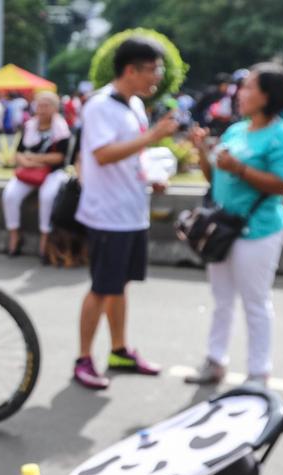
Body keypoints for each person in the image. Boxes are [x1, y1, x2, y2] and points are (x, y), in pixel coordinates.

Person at [71, 36, 179, 390]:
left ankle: (118, 350)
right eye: (153, 70)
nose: (157, 78)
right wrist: (153, 137)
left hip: (131, 210)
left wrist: (151, 175)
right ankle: (83, 358)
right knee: (102, 287)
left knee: (119, 285)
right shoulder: (100, 105)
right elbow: (102, 154)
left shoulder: (132, 104)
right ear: (130, 69)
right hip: (108, 214)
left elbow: (128, 155)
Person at [184, 63, 283, 386]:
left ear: (268, 96)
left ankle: (258, 373)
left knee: (255, 302)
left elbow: (282, 185)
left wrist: (240, 170)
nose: (240, 93)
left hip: (257, 230)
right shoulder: (237, 130)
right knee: (221, 298)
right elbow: (215, 178)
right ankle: (215, 360)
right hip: (223, 227)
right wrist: (203, 153)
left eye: (249, 87)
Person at [1, 91, 71, 259]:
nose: (42, 109)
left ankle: (45, 239)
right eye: (40, 105)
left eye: (46, 105)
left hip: (53, 173)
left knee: (47, 197)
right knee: (10, 195)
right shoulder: (29, 127)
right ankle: (15, 236)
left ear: (55, 108)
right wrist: (29, 162)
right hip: (29, 172)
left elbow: (59, 157)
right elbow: (18, 153)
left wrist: (33, 158)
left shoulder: (61, 129)